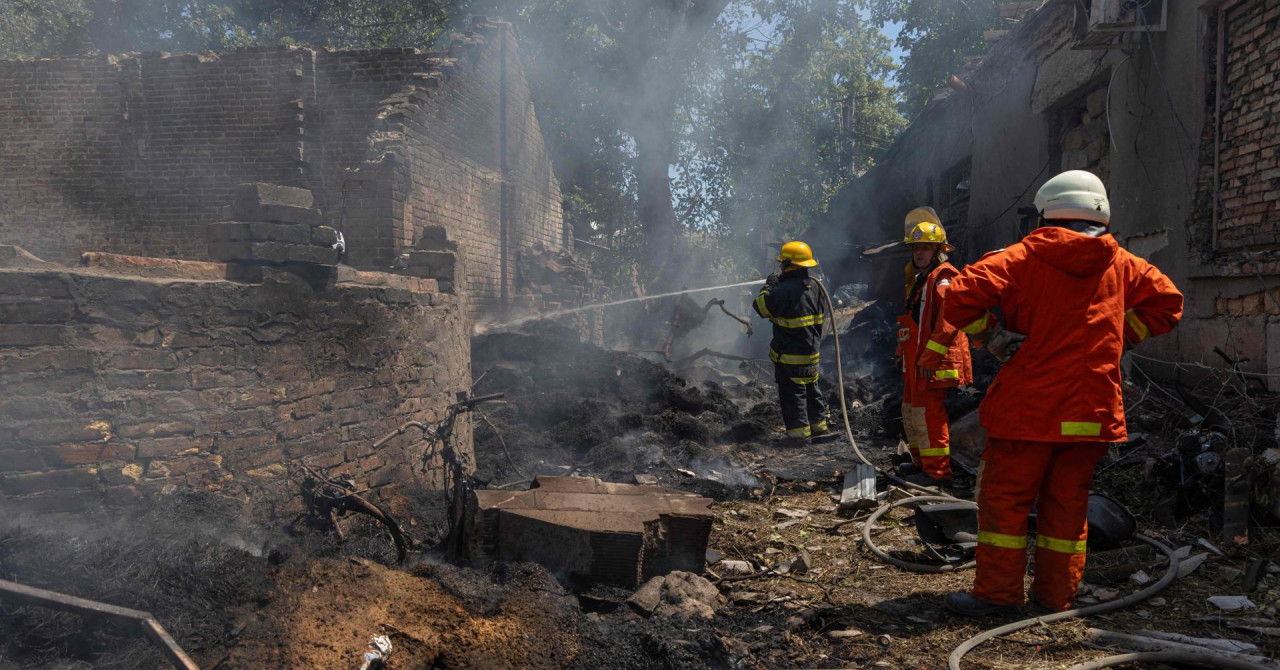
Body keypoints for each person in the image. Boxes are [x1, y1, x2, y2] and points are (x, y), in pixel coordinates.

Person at [937, 170, 1183, 616]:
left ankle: (997, 597)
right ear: (1101, 216)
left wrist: (990, 336)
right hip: (1089, 409)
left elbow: (957, 296)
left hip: (1028, 411)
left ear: (1047, 213)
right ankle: (1056, 599)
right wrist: (1120, 334)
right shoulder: (1124, 264)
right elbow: (1169, 302)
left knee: (1006, 504)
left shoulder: (1020, 257)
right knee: (1068, 510)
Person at [895, 207, 972, 487]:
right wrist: (901, 352)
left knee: (929, 415)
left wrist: (929, 359)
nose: (919, 253)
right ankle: (920, 463)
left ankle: (937, 473)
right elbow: (913, 322)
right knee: (912, 411)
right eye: (916, 248)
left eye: (926, 248)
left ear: (938, 250)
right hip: (915, 360)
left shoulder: (943, 278)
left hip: (933, 362)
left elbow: (949, 322)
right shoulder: (919, 281)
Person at [753, 241, 832, 445]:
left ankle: (799, 437)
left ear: (789, 265)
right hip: (811, 353)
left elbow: (761, 307)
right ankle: (819, 430)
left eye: (782, 264)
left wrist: (769, 286)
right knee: (812, 390)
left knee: (793, 395)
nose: (779, 267)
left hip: (789, 355)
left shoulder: (783, 290)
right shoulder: (816, 286)